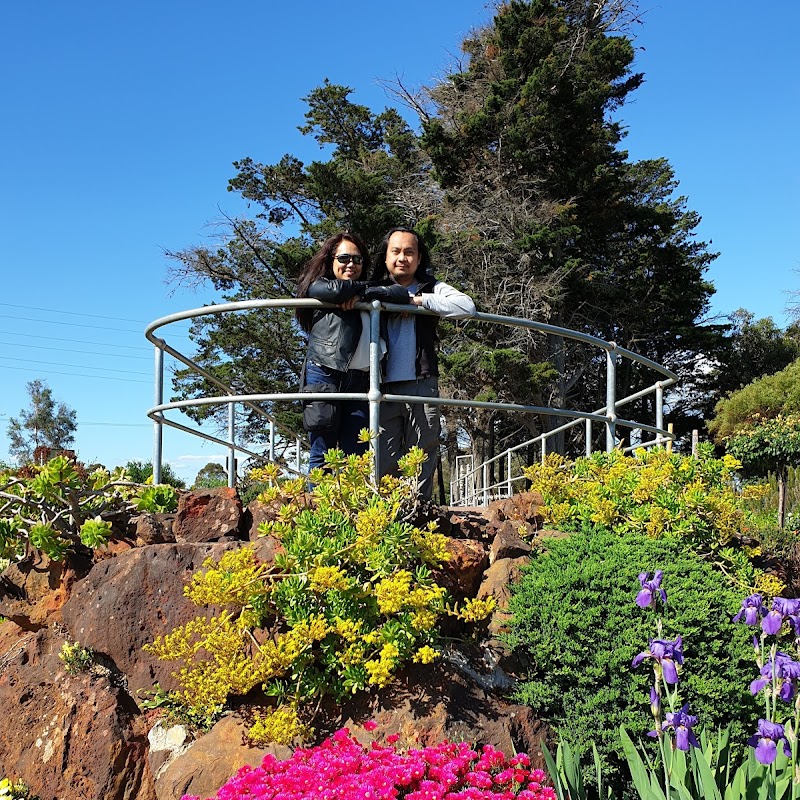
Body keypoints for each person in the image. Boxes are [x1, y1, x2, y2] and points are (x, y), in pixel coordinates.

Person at [369, 227, 475, 500]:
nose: (402, 257)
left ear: (418, 258)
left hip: (423, 384)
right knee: (383, 458)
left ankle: (419, 520)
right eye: (396, 251)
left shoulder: (431, 287)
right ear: (385, 257)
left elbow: (467, 307)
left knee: (422, 456)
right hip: (381, 387)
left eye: (409, 252)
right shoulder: (374, 290)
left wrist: (418, 300)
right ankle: (385, 522)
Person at [295, 232, 409, 471]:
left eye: (357, 260)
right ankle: (319, 508)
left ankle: (350, 508)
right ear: (331, 260)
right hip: (324, 374)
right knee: (322, 453)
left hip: (360, 379)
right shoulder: (320, 285)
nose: (351, 264)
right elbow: (335, 292)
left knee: (356, 454)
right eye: (344, 258)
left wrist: (361, 294)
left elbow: (400, 293)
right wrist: (360, 291)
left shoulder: (364, 291)